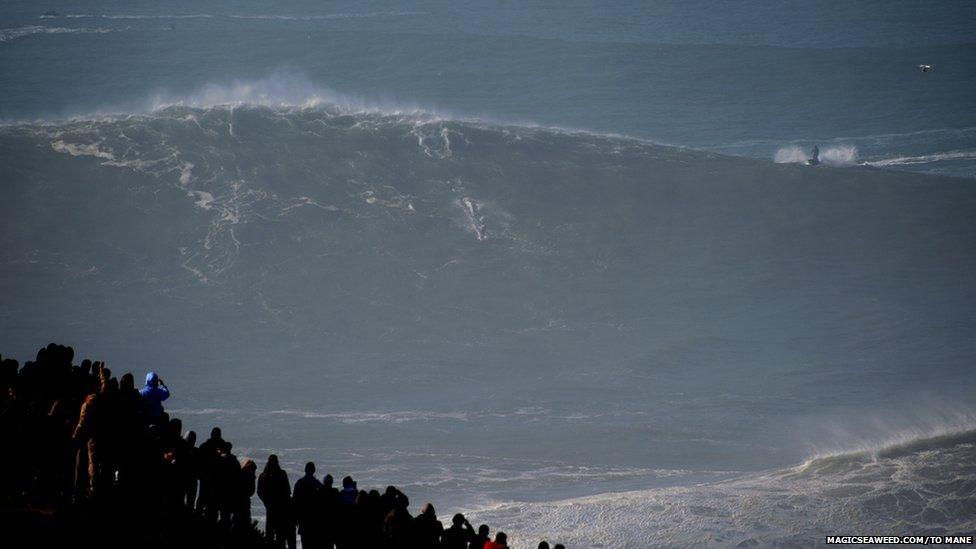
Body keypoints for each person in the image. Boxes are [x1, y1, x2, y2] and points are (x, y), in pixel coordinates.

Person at [258, 454, 295, 549]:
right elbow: (287, 492)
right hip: (281, 509)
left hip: (271, 508)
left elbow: (260, 492)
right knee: (280, 536)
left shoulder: (263, 476)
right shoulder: (282, 474)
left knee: (270, 534)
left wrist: (267, 502)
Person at [293, 461, 323, 549]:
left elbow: (294, 500)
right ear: (314, 470)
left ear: (305, 470)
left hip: (302, 518)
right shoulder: (317, 484)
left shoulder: (299, 483)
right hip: (315, 518)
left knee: (305, 543)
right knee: (314, 543)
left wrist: (296, 518)